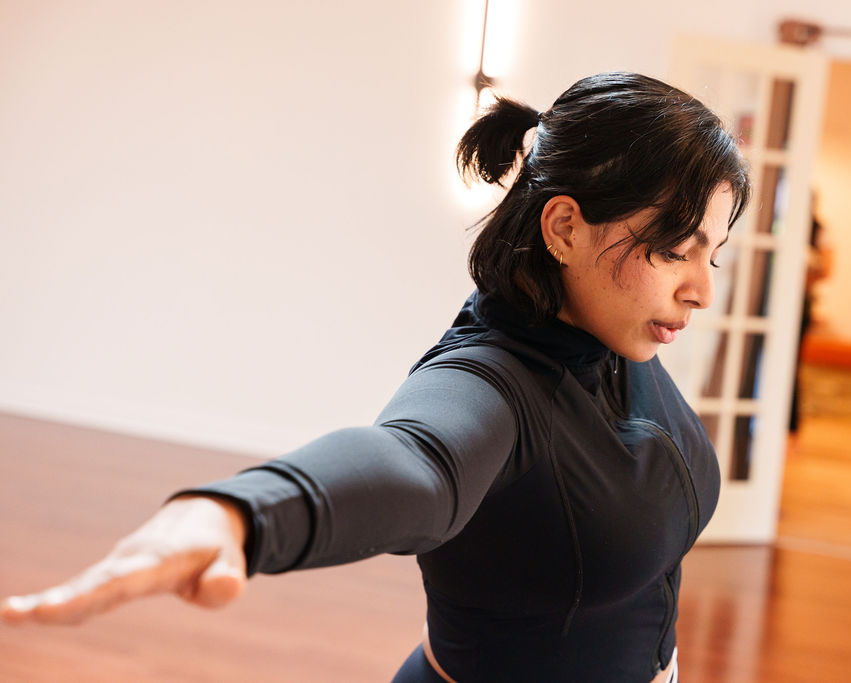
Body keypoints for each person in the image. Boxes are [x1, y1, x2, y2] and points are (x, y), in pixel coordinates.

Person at [1, 72, 750, 683]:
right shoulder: (494, 381)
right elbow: (414, 461)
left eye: (710, 253)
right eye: (672, 251)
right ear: (563, 227)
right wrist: (239, 512)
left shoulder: (615, 334)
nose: (701, 290)